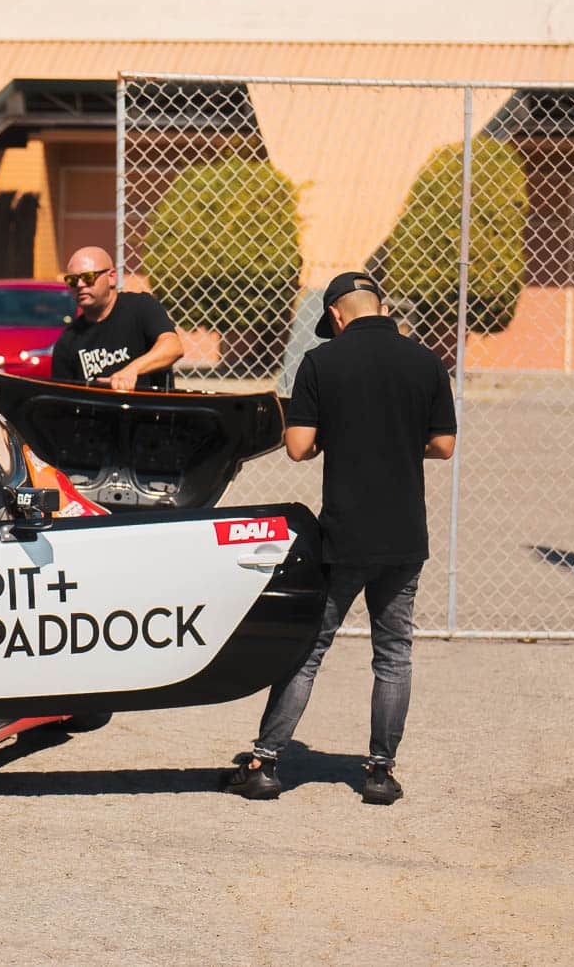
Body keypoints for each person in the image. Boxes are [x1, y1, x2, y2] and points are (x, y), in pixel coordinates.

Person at [220, 271, 457, 805]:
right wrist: (396, 444)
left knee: (308, 649)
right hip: (403, 535)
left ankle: (265, 763)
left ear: (336, 316)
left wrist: (343, 438)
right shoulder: (425, 362)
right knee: (394, 654)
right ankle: (379, 772)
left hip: (344, 535)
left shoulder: (321, 363)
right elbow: (443, 445)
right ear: (381, 305)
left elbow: (298, 447)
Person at [49, 246, 183, 391]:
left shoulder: (140, 306)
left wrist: (133, 370)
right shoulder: (68, 340)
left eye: (88, 277)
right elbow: (64, 398)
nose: (80, 285)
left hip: (149, 409)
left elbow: (173, 347)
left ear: (111, 277)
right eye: (72, 280)